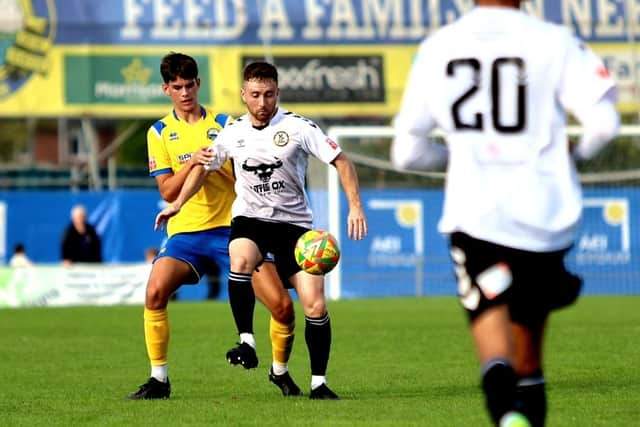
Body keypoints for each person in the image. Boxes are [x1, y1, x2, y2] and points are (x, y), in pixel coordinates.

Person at [391, 1, 619, 426]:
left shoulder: (439, 47)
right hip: (545, 217)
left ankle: (504, 413)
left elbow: (406, 151)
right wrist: (572, 156)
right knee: (529, 358)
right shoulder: (555, 41)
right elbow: (604, 124)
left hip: (476, 215)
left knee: (496, 351)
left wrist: (457, 157)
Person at [155, 61, 368, 399]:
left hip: (295, 229)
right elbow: (203, 168)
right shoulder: (232, 132)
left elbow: (342, 161)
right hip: (250, 221)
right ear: (244, 95)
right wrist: (178, 203)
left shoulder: (299, 127)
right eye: (255, 95)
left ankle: (319, 383)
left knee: (314, 306)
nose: (262, 102)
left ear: (277, 93)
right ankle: (246, 340)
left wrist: (355, 205)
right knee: (239, 256)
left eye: (269, 94)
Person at [128, 52, 299, 400]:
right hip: (186, 234)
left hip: (232, 230)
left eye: (190, 85)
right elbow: (166, 190)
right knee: (155, 292)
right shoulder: (159, 132)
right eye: (177, 87)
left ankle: (279, 372)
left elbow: (247, 171)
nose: (185, 92)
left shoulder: (227, 123)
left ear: (198, 84)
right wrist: (193, 162)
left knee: (281, 307)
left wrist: (222, 165)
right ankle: (159, 379)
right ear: (166, 89)